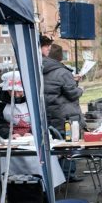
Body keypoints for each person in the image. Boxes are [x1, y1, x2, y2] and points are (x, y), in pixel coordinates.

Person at [0, 71, 66, 187]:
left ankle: (45, 190)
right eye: (12, 92)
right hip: (11, 138)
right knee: (10, 166)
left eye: (20, 91)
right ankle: (14, 189)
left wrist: (33, 132)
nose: (17, 95)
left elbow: (46, 118)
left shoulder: (36, 95)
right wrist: (9, 133)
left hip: (33, 136)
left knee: (39, 162)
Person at [42, 43, 84, 181]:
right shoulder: (63, 72)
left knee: (54, 145)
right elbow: (72, 94)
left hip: (48, 112)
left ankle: (55, 176)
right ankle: (68, 174)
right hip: (65, 114)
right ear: (60, 57)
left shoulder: (40, 68)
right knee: (69, 145)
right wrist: (81, 88)